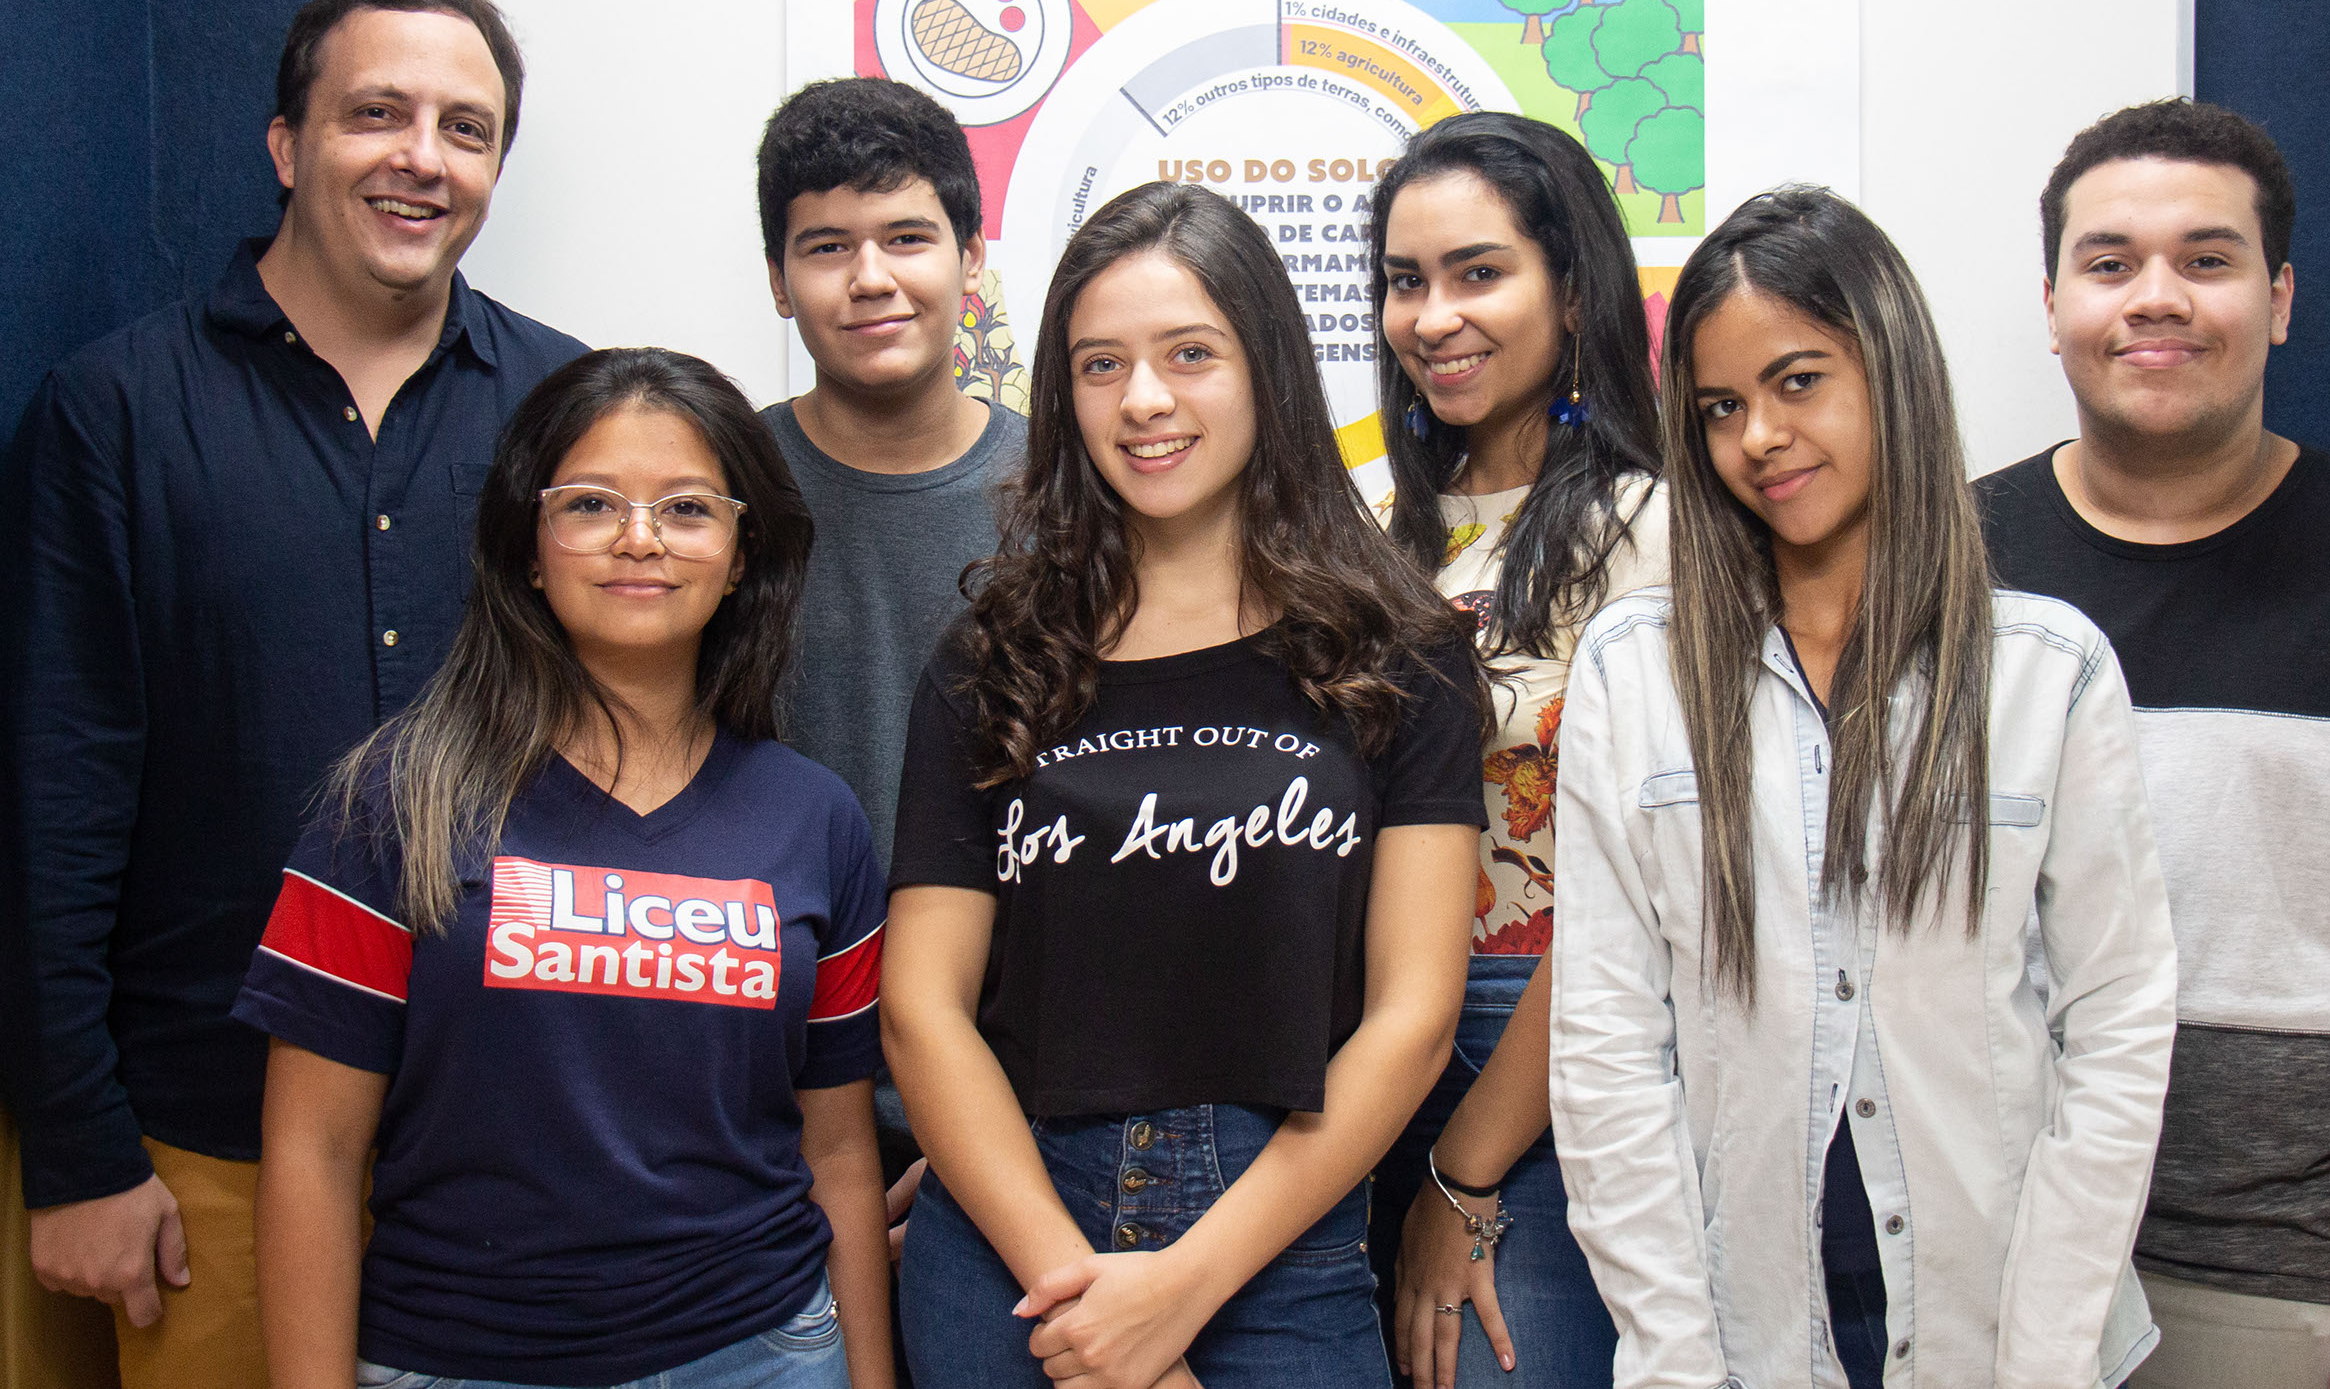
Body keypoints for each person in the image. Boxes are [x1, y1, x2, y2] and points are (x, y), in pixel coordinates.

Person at [0, 0, 585, 1387]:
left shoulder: (567, 409)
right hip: (204, 1151)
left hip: (515, 1144)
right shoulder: (115, 411)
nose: (422, 157)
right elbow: (48, 797)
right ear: (286, 142)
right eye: (376, 113)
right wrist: (78, 1148)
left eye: (465, 128)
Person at [1550, 187, 2180, 1388]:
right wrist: (1680, 1362)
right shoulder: (1634, 671)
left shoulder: (2046, 671)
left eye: (1798, 381)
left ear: (1890, 368)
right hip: (1746, 1330)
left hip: (2003, 1327)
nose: (1760, 436)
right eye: (1721, 406)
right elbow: (1606, 1050)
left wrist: (2041, 1362)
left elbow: (2114, 1030)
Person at [1976, 99, 2330, 1389]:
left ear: (2279, 297)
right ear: (2053, 304)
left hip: (2308, 1290)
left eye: (2207, 258)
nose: (2157, 297)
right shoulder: (1953, 569)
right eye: (2110, 262)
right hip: (2005, 1265)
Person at [881, 181, 1489, 1389]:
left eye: (1190, 353)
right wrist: (1083, 1305)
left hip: (1278, 1249)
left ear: (1267, 365)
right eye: (1099, 364)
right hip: (1012, 1245)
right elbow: (921, 1010)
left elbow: (1414, 1017)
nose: (1143, 399)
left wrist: (1180, 1289)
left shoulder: (1400, 648)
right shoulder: (994, 653)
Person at [237, 347, 896, 1389]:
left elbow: (842, 1154)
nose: (640, 537)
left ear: (741, 555)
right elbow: (312, 1156)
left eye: (687, 508)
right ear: (529, 549)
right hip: (459, 1361)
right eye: (590, 504)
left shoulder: (817, 820)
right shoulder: (392, 804)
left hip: (763, 1353)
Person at [1365, 113, 1664, 1389]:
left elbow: (1644, 899)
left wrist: (1466, 1169)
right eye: (1405, 280)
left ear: (1574, 289)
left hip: (1541, 1062)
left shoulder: (1654, 533)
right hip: (1365, 1064)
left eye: (1478, 272)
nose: (1433, 316)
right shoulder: (1375, 532)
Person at [756, 76, 1028, 868]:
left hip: (1015, 935)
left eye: (907, 238)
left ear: (971, 259)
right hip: (779, 929)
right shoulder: (720, 485)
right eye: (827, 247)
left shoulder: (1064, 487)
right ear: (778, 281)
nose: (871, 278)